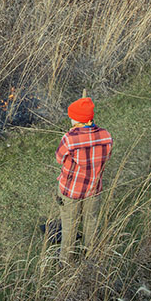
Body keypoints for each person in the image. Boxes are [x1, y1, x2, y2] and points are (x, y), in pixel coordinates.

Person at [54, 97, 113, 265]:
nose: (70, 119)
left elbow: (59, 158)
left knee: (70, 226)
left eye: (72, 117)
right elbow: (106, 157)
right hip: (93, 189)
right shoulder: (106, 136)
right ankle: (91, 257)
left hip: (70, 191)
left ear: (78, 120)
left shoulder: (69, 139)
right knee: (91, 222)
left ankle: (66, 260)